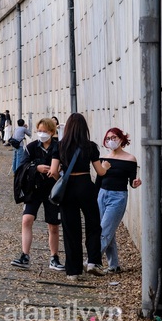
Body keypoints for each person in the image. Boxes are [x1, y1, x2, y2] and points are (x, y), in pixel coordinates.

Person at [51, 113, 110, 280]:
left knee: (71, 229)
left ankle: (73, 271)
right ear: (85, 128)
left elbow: (54, 171)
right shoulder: (90, 146)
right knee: (93, 224)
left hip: (68, 189)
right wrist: (105, 166)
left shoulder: (60, 146)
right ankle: (93, 262)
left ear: (68, 127)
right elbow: (100, 172)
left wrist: (62, 181)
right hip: (85, 186)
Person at [10, 118, 65, 271]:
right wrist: (37, 167)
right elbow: (22, 167)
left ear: (52, 132)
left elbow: (64, 167)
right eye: (39, 131)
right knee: (26, 220)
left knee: (53, 225)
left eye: (45, 131)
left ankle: (54, 257)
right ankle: (25, 255)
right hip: (33, 189)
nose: (42, 134)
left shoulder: (58, 147)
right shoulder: (31, 147)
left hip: (53, 190)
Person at [96, 127, 142, 273]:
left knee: (104, 231)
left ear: (121, 139)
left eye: (114, 138)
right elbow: (98, 181)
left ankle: (92, 260)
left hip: (118, 197)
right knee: (108, 231)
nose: (111, 141)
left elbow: (131, 182)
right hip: (102, 195)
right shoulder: (104, 158)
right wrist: (103, 168)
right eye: (108, 138)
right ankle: (113, 265)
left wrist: (135, 184)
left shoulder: (130, 159)